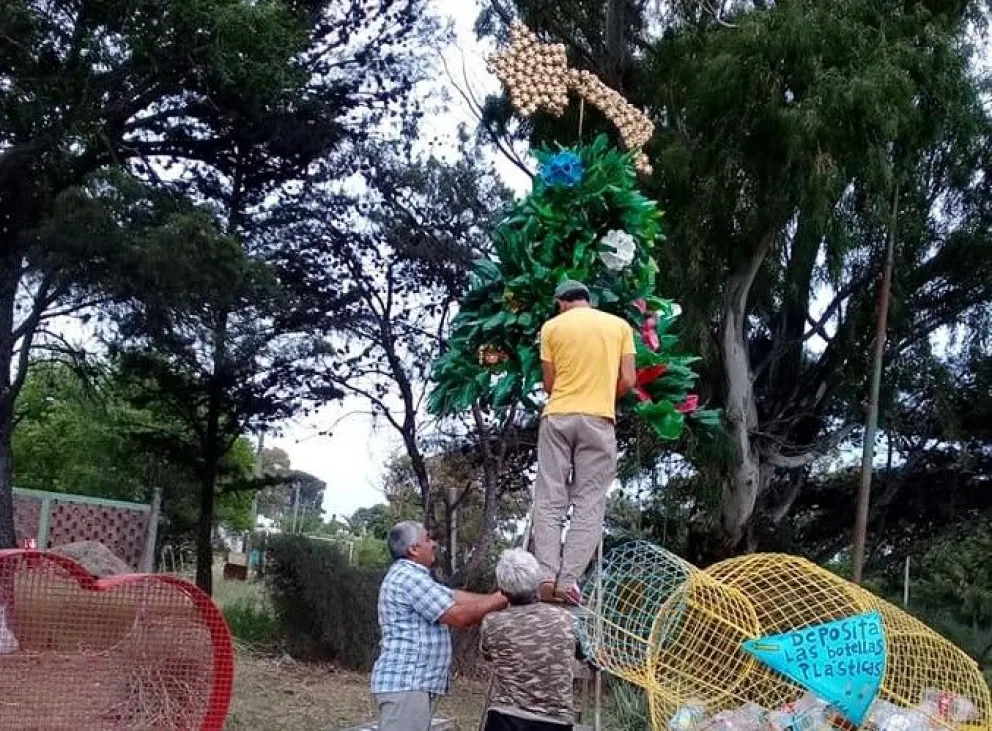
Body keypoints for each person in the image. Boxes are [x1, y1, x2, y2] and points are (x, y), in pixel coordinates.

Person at [533, 280, 636, 604]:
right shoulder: (620, 326)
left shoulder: (551, 328)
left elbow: (549, 384)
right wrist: (605, 395)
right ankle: (569, 581)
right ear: (587, 300)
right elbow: (630, 380)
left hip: (558, 416)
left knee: (550, 497)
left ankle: (546, 575)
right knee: (589, 501)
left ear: (562, 302)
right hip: (599, 419)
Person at [371, 520, 509, 731]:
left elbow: (454, 597)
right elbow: (459, 616)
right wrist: (506, 597)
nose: (433, 544)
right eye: (427, 539)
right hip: (408, 685)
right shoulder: (409, 578)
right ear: (413, 549)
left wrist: (497, 597)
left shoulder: (414, 577)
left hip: (411, 686)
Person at [480, 549, 577, 731]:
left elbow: (488, 654)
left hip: (503, 719)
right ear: (538, 582)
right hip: (554, 721)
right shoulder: (567, 620)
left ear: (503, 590)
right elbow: (587, 654)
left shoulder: (491, 623)